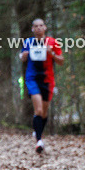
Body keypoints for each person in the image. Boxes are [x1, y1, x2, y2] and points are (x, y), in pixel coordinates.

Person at [20, 18, 64, 153]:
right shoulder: (28, 42)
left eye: (41, 26)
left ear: (45, 28)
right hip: (32, 78)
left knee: (44, 112)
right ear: (32, 29)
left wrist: (51, 53)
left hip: (47, 79)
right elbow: (21, 56)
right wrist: (24, 55)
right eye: (36, 26)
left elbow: (61, 61)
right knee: (38, 110)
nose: (38, 28)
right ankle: (39, 141)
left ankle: (38, 131)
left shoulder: (52, 42)